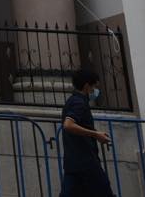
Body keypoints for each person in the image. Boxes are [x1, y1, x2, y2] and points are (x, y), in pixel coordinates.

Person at [60, 67, 115, 197]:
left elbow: (76, 125)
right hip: (86, 162)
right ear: (86, 86)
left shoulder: (72, 101)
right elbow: (68, 125)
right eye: (94, 87)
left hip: (73, 162)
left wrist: (96, 133)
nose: (95, 91)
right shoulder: (79, 103)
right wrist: (95, 134)